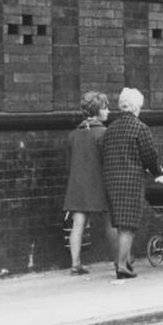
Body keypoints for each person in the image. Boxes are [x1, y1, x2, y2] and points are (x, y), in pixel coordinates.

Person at [102, 87, 161, 279]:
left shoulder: (110, 129)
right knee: (129, 224)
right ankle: (122, 265)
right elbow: (149, 156)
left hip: (111, 179)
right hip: (131, 180)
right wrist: (157, 172)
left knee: (117, 223)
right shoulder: (139, 128)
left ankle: (122, 259)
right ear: (136, 107)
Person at [63, 91, 111, 275]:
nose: (108, 111)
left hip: (77, 184)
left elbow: (69, 162)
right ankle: (120, 259)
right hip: (99, 183)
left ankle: (75, 263)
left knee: (78, 223)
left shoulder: (73, 135)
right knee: (111, 220)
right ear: (98, 110)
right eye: (105, 107)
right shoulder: (104, 134)